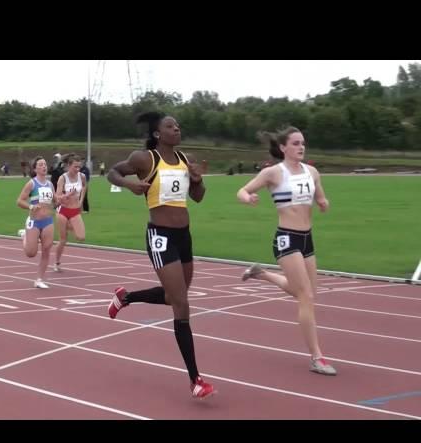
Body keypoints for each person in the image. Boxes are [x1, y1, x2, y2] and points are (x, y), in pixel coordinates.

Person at [106, 111, 214, 399]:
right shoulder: (145, 159)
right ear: (157, 133)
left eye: (177, 124)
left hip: (184, 237)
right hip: (160, 236)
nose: (176, 128)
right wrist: (129, 184)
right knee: (181, 303)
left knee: (173, 296)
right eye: (170, 125)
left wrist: (198, 179)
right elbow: (112, 172)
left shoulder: (184, 159)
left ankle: (125, 297)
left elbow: (198, 197)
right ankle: (196, 379)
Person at [236, 126, 336, 376]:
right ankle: (317, 357)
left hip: (307, 239)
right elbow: (242, 190)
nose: (301, 147)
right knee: (306, 297)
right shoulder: (273, 173)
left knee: (305, 292)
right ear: (283, 148)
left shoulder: (312, 172)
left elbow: (321, 198)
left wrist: (323, 203)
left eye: (303, 143)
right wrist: (248, 198)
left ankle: (262, 274)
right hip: (286, 239)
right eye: (295, 143)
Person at [16, 156, 55, 289]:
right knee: (31, 253)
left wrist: (65, 198)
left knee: (46, 250)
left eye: (45, 164)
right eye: (41, 165)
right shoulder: (31, 183)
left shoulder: (50, 184)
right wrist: (31, 207)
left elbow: (55, 200)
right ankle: (24, 236)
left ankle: (39, 279)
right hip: (34, 221)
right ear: (35, 169)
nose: (44, 167)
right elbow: (19, 201)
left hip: (48, 221)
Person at [54, 153, 87, 272]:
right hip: (63, 210)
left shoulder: (81, 176)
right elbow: (57, 197)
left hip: (75, 210)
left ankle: (68, 225)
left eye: (79, 167)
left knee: (81, 237)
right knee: (63, 240)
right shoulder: (63, 178)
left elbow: (84, 187)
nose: (77, 169)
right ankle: (57, 263)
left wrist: (81, 200)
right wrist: (68, 194)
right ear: (69, 165)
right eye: (75, 167)